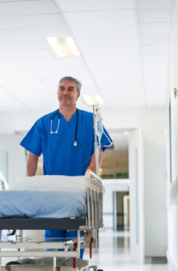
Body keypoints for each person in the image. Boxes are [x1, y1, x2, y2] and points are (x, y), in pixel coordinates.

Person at [20, 76, 112, 241]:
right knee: (53, 240)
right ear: (57, 93)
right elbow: (32, 155)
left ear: (78, 95)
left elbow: (99, 151)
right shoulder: (44, 122)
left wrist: (90, 174)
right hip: (52, 191)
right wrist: (30, 183)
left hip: (79, 190)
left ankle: (73, 268)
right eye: (62, 88)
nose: (65, 92)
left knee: (76, 239)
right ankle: (54, 267)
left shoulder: (91, 120)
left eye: (70, 89)